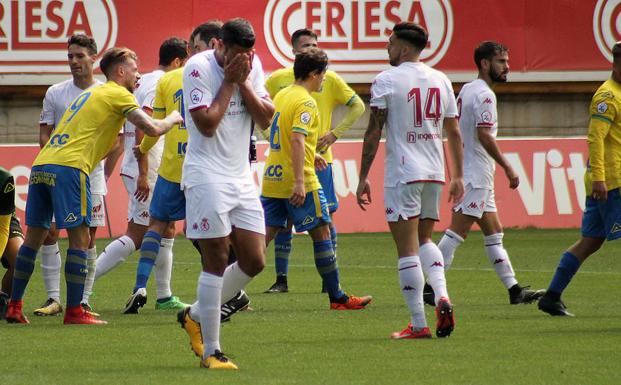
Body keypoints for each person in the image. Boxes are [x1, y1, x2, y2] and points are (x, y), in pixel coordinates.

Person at [5, 47, 182, 325]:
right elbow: (151, 128)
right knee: (81, 240)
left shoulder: (90, 94)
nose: (138, 75)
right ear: (121, 72)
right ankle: (75, 311)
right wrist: (173, 117)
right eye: (135, 70)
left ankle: (14, 306)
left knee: (33, 240)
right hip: (70, 168)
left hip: (42, 165)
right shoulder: (118, 94)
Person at [356, 22, 463, 339]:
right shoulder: (441, 80)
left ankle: (418, 323)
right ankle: (441, 294)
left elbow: (374, 130)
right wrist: (457, 174)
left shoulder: (385, 80)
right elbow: (453, 130)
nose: (387, 48)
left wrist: (363, 176)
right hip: (434, 172)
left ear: (402, 48)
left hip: (403, 173)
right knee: (425, 240)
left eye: (390, 43)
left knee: (406, 250)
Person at [180, 18, 274, 369]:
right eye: (236, 54)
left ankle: (193, 313)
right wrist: (231, 83)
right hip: (206, 175)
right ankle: (211, 351)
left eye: (248, 54)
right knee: (216, 258)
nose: (243, 60)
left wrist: (244, 81)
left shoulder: (251, 65)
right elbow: (206, 124)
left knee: (254, 260)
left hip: (240, 176)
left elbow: (265, 118)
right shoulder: (197, 68)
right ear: (219, 45)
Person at [262, 47, 372, 314]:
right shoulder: (307, 102)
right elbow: (298, 139)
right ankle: (337, 296)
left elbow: (283, 135)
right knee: (322, 230)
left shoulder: (282, 95)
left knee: (260, 239)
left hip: (272, 178)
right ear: (314, 74)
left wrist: (310, 157)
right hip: (299, 182)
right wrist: (300, 180)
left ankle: (227, 293)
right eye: (323, 75)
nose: (324, 80)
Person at [435, 41, 545, 306]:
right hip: (477, 174)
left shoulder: (467, 90)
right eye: (501, 62)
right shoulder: (485, 95)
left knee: (494, 232)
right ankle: (427, 286)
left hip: (475, 172)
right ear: (485, 64)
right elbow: (484, 135)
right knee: (456, 233)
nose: (507, 67)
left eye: (507, 61)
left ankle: (514, 290)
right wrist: (508, 166)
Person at [88, 37, 190, 313]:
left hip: (147, 166)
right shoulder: (159, 83)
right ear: (178, 62)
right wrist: (144, 172)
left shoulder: (144, 80)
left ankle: (165, 295)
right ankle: (83, 284)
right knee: (138, 234)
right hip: (146, 168)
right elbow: (144, 127)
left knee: (166, 227)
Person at [538, 42, 621, 316]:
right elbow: (595, 138)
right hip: (611, 181)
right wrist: (599, 178)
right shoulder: (607, 96)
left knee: (589, 242)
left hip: (606, 181)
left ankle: (551, 296)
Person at [34, 34, 115, 317]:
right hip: (59, 173)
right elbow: (45, 133)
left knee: (88, 239)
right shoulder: (55, 92)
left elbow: (115, 140)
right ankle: (53, 298)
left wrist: (92, 162)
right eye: (70, 56)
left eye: (79, 56)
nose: (74, 62)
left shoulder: (106, 92)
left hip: (89, 175)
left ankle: (83, 300)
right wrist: (59, 160)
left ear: (94, 57)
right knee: (50, 232)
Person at [0, 167, 24, 320]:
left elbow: (3, 228)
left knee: (21, 259)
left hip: (3, 221)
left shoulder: (4, 179)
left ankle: (5, 300)